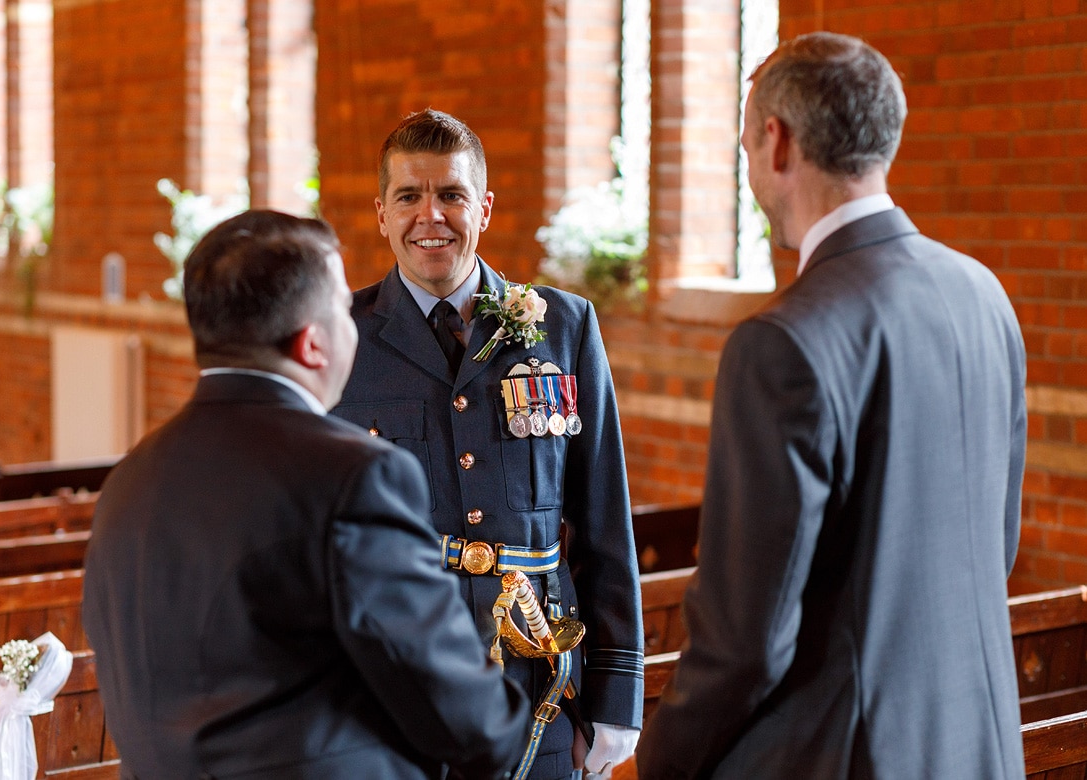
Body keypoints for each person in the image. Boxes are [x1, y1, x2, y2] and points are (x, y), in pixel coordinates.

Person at [636, 32, 1027, 779]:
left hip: (842, 756)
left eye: (745, 145)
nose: (749, 167)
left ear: (776, 142)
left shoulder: (783, 342)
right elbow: (995, 549)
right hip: (973, 747)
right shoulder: (981, 293)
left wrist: (660, 762)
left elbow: (745, 641)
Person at [82, 209, 530, 780]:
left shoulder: (130, 479)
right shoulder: (352, 477)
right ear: (313, 344)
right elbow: (470, 723)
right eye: (344, 309)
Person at [333, 109, 644, 780]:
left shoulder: (563, 327)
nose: (431, 216)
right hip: (391, 692)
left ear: (485, 207)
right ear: (381, 213)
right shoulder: (340, 337)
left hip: (538, 687)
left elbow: (604, 525)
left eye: (451, 194)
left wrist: (617, 699)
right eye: (409, 197)